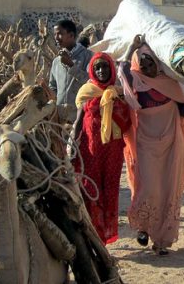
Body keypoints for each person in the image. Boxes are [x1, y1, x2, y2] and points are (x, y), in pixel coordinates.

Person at [120, 35, 184, 255]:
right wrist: (132, 47)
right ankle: (143, 228)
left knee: (168, 188)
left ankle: (162, 240)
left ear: (158, 62)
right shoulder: (136, 80)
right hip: (145, 143)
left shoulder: (171, 82)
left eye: (150, 62)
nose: (146, 67)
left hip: (172, 141)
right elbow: (122, 70)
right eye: (142, 63)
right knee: (148, 186)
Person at [72, 52, 131, 244]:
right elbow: (79, 120)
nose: (101, 71)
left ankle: (106, 233)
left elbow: (128, 121)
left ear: (111, 69)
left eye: (105, 67)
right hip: (90, 150)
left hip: (113, 151)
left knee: (110, 190)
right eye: (97, 67)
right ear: (92, 70)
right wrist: (72, 143)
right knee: (91, 189)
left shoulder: (120, 92)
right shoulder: (86, 92)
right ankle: (94, 235)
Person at [49, 19, 93, 123]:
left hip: (80, 116)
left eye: (60, 34)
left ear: (71, 35)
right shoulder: (56, 61)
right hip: (60, 118)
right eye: (55, 34)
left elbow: (91, 83)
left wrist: (71, 65)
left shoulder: (88, 57)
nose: (56, 38)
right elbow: (53, 86)